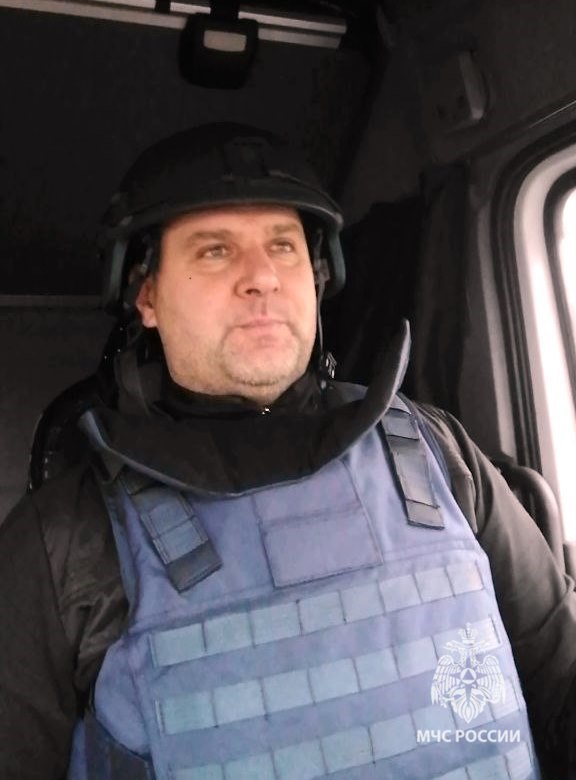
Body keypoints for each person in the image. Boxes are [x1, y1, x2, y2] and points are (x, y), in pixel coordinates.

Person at [0, 123, 575, 780]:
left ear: (317, 276)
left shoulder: (434, 451)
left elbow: (562, 684)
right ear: (146, 295)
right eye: (215, 250)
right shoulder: (63, 540)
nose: (262, 277)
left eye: (283, 245)